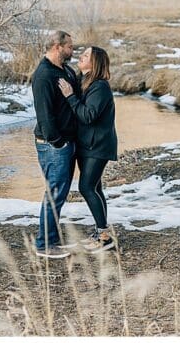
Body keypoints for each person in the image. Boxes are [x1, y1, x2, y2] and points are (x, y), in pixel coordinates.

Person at [58, 46, 117, 253]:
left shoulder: (100, 86)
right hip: (87, 144)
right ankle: (101, 233)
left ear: (95, 63)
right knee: (95, 188)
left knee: (87, 187)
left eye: (86, 55)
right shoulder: (85, 81)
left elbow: (88, 115)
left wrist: (70, 96)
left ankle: (104, 237)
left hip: (97, 146)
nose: (80, 56)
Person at [31, 30, 80, 259]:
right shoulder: (43, 75)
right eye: (69, 46)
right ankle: (44, 245)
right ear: (57, 47)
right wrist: (58, 142)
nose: (72, 50)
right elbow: (44, 115)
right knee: (54, 194)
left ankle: (52, 238)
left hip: (67, 143)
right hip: (53, 146)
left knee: (59, 194)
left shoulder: (66, 70)